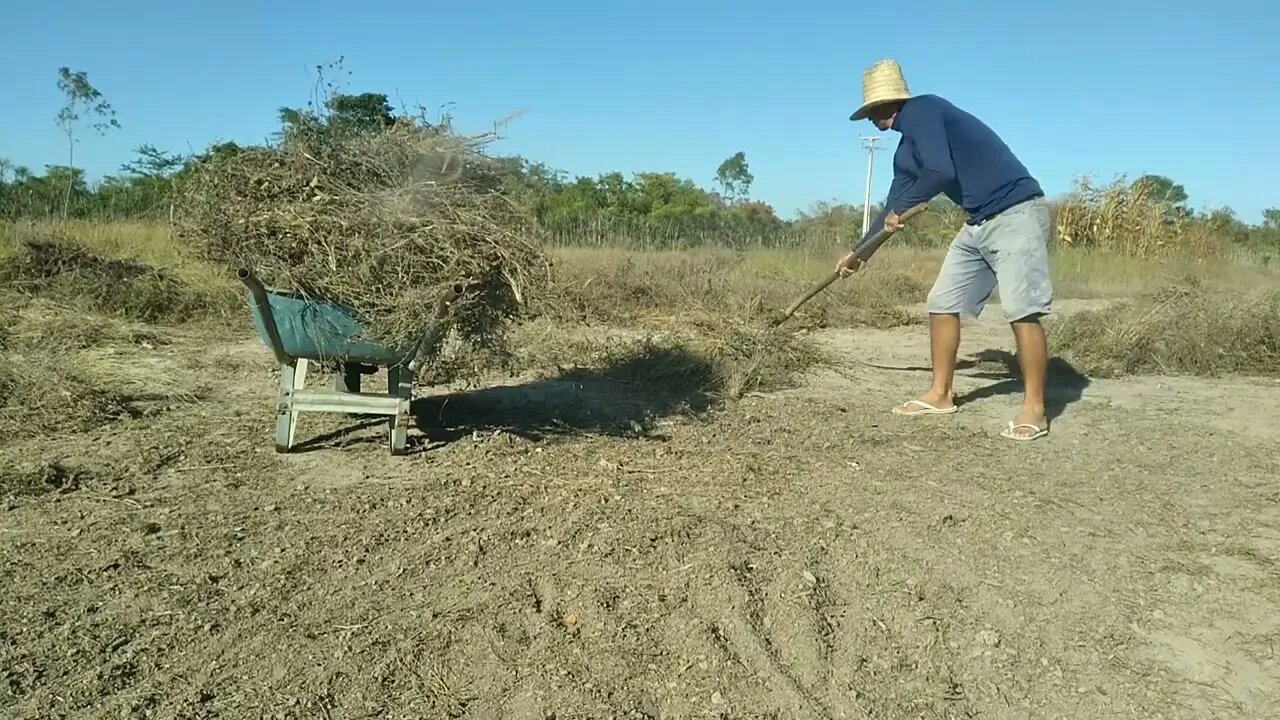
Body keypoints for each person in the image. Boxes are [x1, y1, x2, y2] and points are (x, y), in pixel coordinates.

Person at [835, 59, 1054, 441]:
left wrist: (903, 209)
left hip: (1016, 212)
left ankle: (1034, 408)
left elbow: (941, 172)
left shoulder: (925, 109)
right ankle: (940, 394)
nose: (870, 119)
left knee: (1021, 308)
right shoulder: (905, 151)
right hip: (978, 221)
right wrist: (859, 253)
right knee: (941, 301)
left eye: (873, 110)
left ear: (891, 101)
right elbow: (893, 205)